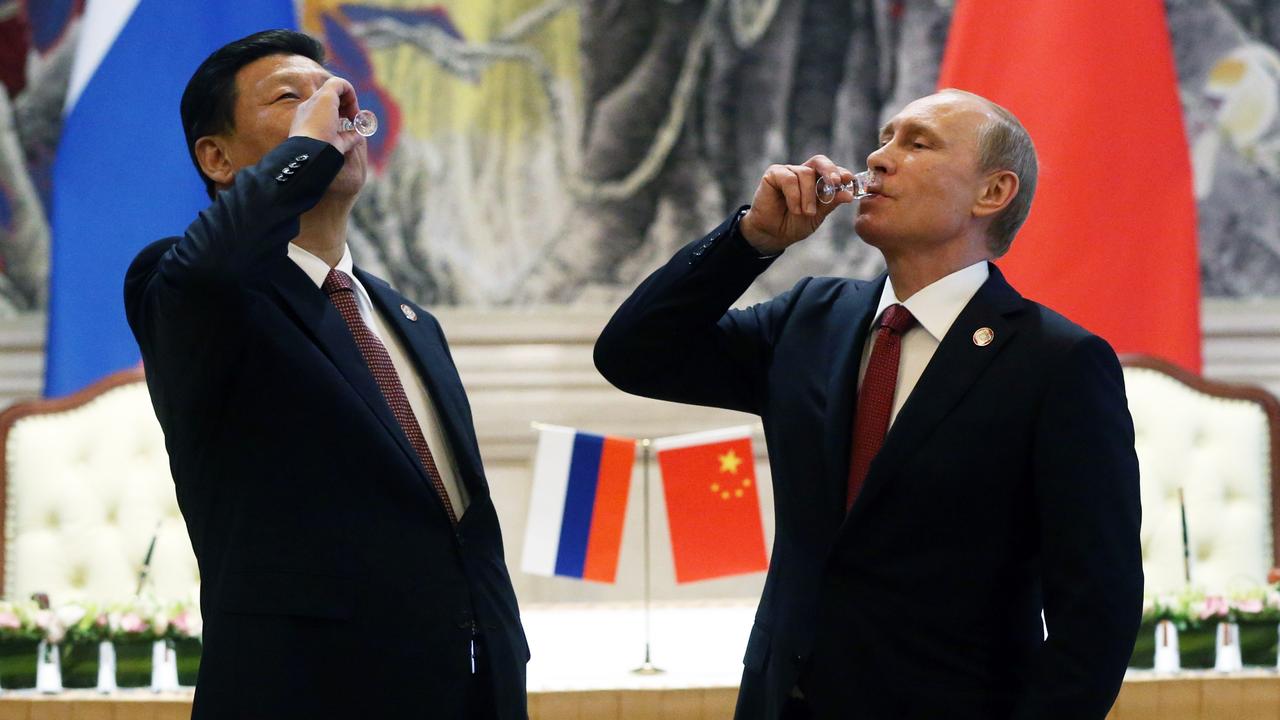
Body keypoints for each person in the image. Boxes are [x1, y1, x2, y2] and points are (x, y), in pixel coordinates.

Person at [594, 89, 1142, 719]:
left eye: (917, 143)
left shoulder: (1055, 361)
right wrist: (750, 240)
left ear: (991, 193)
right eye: (884, 139)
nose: (879, 159)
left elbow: (1097, 609)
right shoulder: (809, 318)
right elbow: (633, 354)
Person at [124, 30, 527, 719]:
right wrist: (307, 150)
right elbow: (211, 267)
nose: (332, 109)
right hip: (305, 690)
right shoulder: (192, 288)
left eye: (334, 96)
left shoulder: (407, 318)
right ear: (217, 158)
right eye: (292, 98)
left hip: (468, 687)